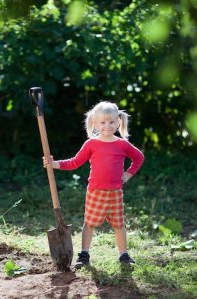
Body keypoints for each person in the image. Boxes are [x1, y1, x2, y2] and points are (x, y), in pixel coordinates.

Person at [43, 101, 144, 269]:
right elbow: (74, 162)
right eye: (102, 122)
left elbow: (139, 157)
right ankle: (84, 254)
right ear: (95, 124)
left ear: (118, 121)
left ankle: (124, 254)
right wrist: (54, 164)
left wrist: (128, 174)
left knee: (119, 225)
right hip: (95, 192)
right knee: (89, 224)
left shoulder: (122, 144)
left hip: (115, 193)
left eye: (111, 122)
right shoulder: (91, 144)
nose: (107, 126)